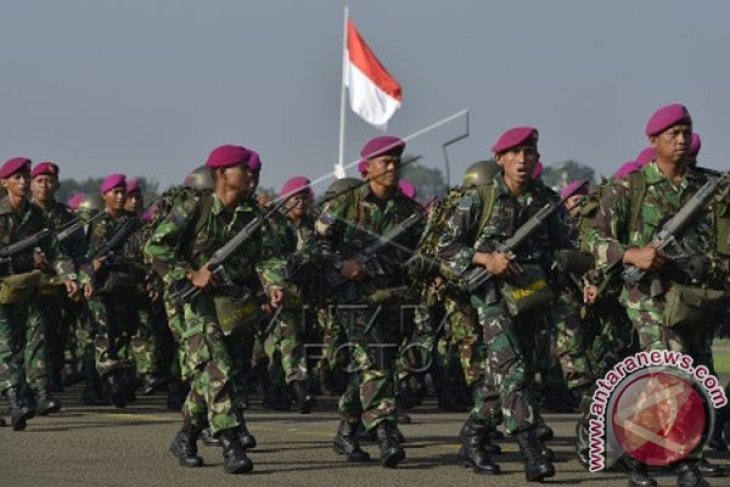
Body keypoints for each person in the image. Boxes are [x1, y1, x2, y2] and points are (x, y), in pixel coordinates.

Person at [437, 126, 593, 482]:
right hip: (492, 298)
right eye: (514, 153)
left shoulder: (547, 201)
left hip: (533, 297)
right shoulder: (479, 199)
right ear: (499, 159)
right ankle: (531, 449)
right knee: (514, 371)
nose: (522, 160)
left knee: (501, 377)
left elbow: (564, 245)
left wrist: (573, 266)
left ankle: (474, 432)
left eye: (529, 153)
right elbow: (445, 247)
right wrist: (485, 259)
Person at [587, 103, 727, 486]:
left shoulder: (708, 187)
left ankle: (633, 453)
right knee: (674, 370)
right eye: (672, 134)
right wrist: (632, 253)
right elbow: (592, 239)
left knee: (696, 379)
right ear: (654, 140)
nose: (681, 140)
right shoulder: (629, 188)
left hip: (693, 299)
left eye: (686, 132)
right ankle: (686, 464)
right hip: (648, 298)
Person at [145, 144, 285, 474]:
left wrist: (273, 282)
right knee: (217, 366)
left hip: (232, 302)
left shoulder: (251, 215)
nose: (251, 174)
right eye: (243, 169)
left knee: (228, 372)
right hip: (190, 302)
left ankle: (185, 436)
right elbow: (155, 247)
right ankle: (230, 442)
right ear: (222, 174)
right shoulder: (194, 207)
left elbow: (268, 256)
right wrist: (190, 273)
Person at [315, 135, 424, 468]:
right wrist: (341, 265)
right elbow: (314, 246)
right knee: (374, 361)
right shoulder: (343, 204)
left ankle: (347, 430)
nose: (392, 167)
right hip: (353, 298)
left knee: (375, 367)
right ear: (367, 168)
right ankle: (385, 433)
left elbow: (423, 254)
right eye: (384, 162)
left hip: (391, 298)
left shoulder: (410, 211)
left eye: (395, 162)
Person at [0, 157, 81, 430]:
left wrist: (68, 276)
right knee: (7, 345)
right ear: (4, 183)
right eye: (17, 177)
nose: (23, 182)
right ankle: (15, 401)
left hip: (22, 287)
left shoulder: (35, 217)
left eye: (25, 176)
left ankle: (32, 393)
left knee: (30, 340)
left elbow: (55, 250)